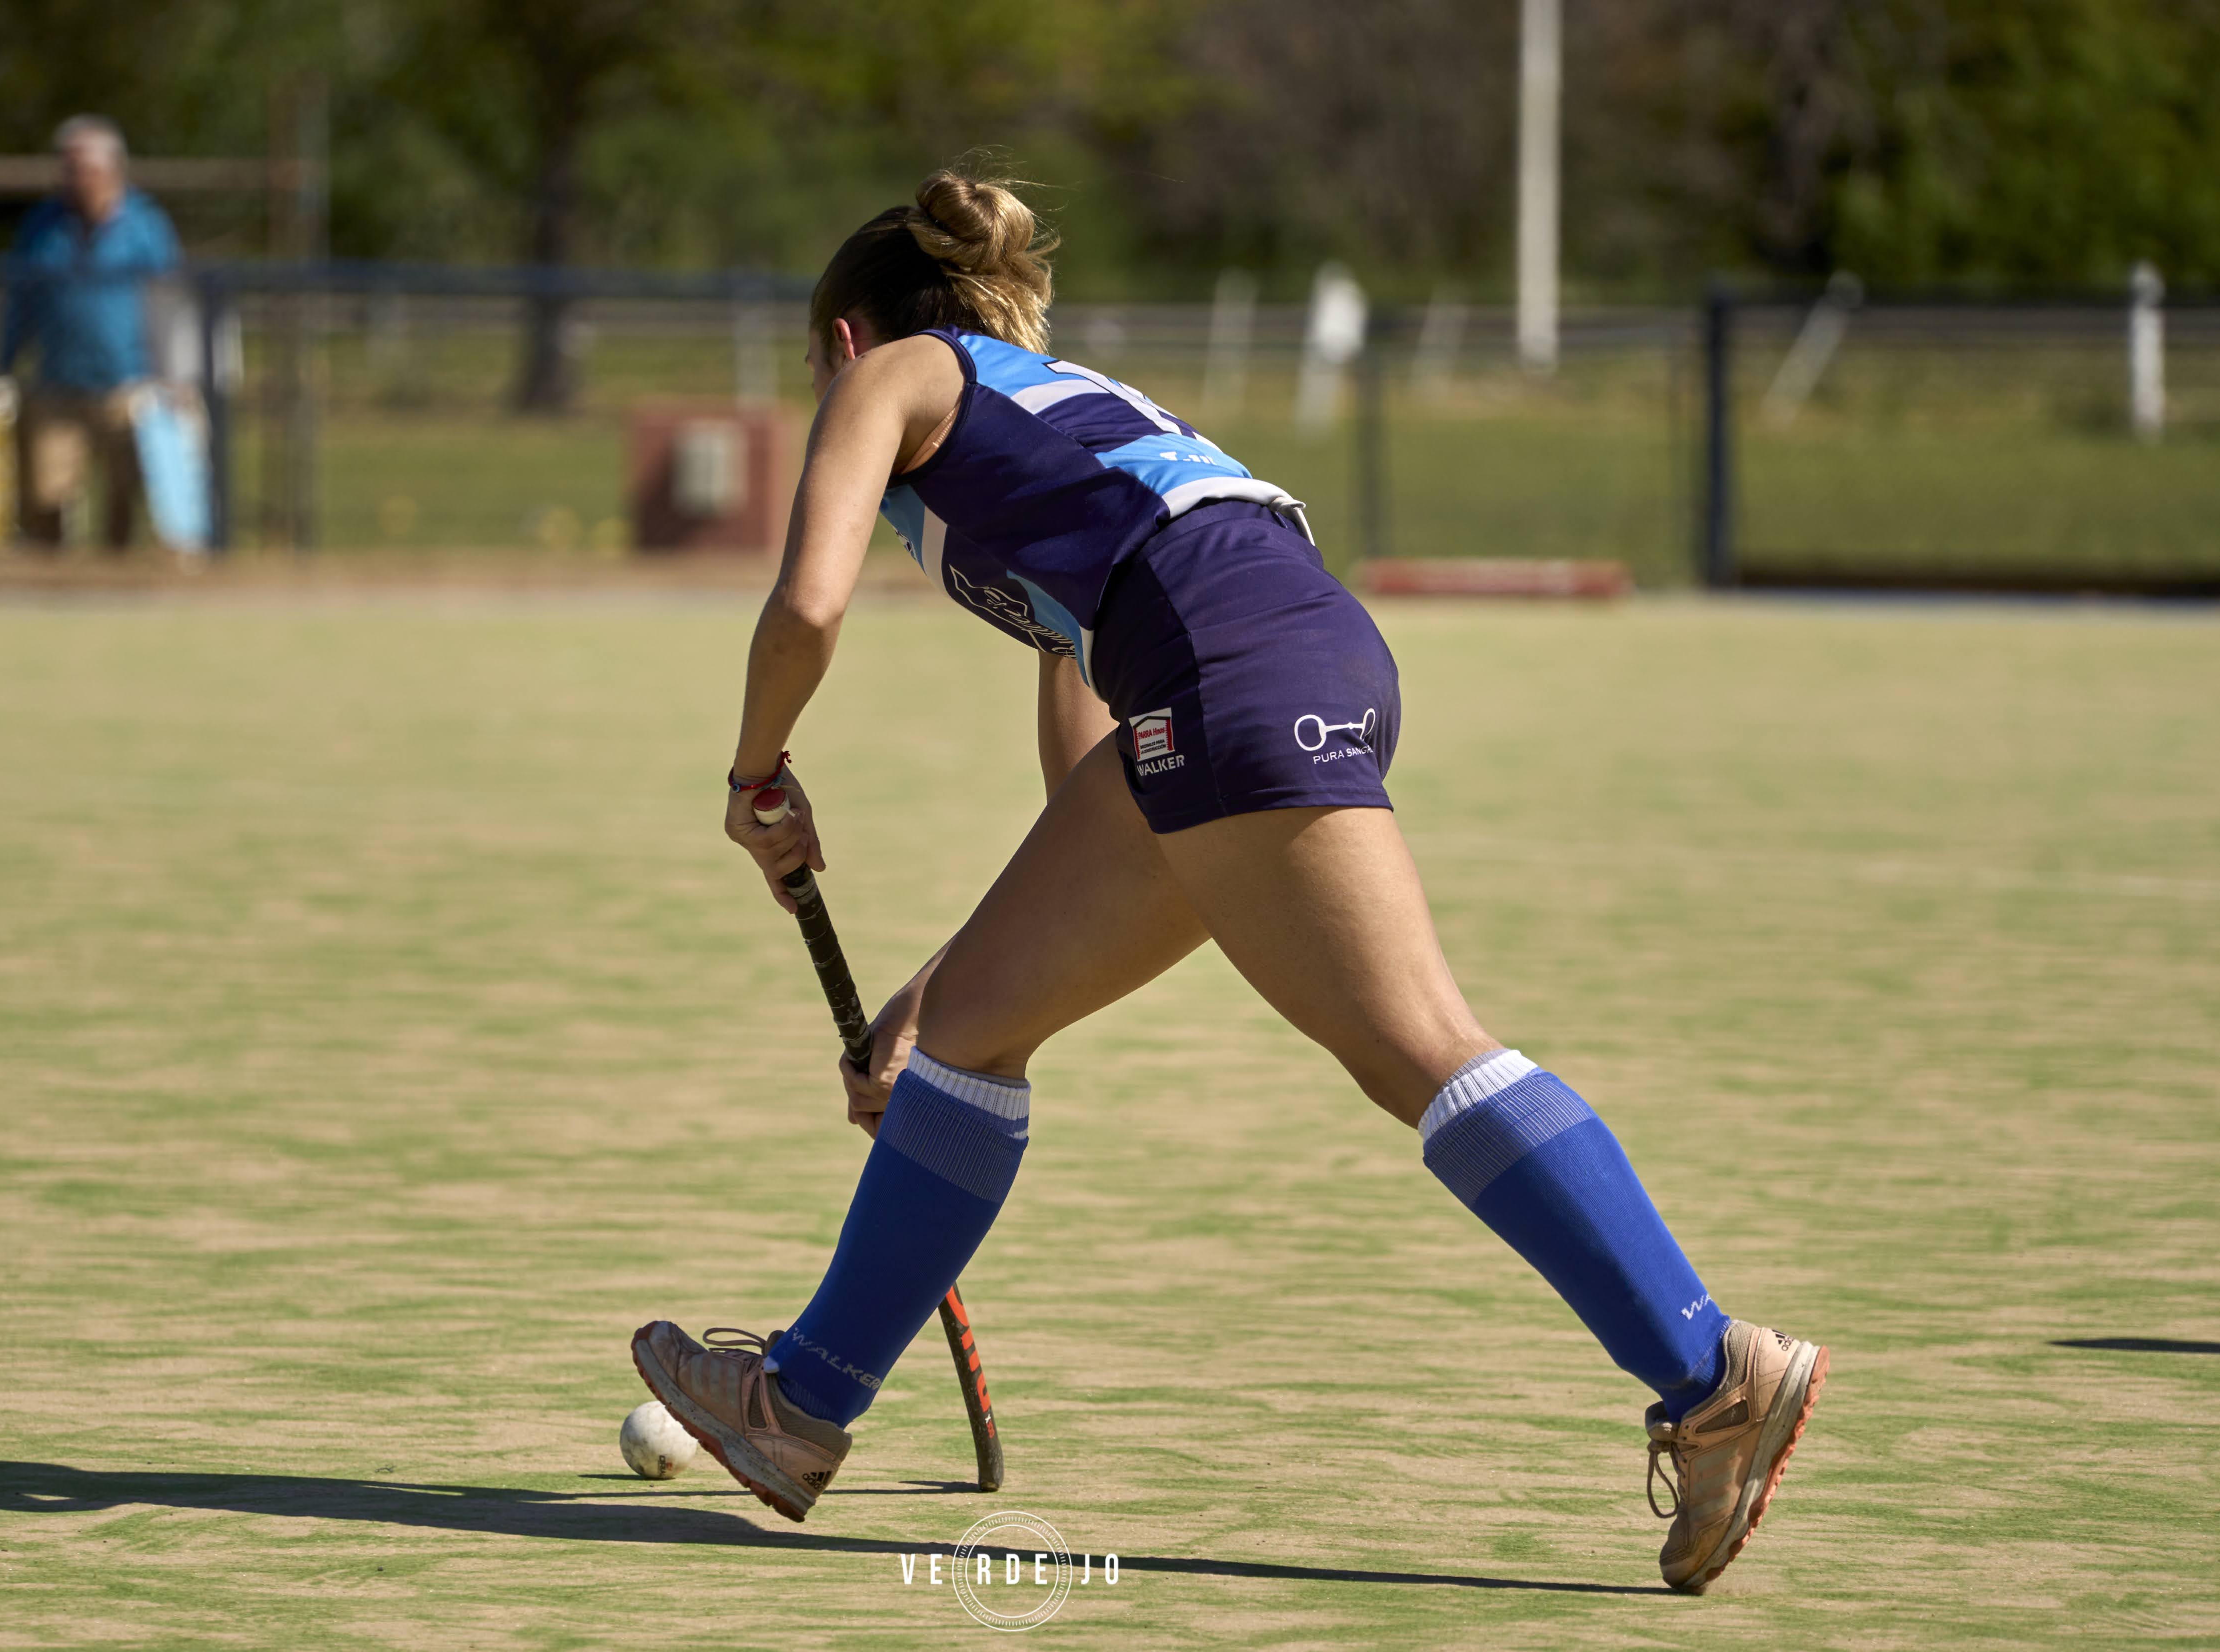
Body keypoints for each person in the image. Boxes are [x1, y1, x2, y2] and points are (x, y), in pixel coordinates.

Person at [629, 171, 1828, 1594]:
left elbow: (806, 605)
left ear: (842, 339)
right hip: (1271, 646)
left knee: (1418, 1044)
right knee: (973, 1032)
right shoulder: (1048, 413)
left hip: (1224, 658)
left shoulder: (888, 375)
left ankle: (1711, 1373)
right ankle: (804, 1404)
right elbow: (1095, 774)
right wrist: (941, 978)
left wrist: (756, 773)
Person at [0, 116, 182, 550]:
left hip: (129, 387)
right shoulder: (41, 227)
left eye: (82, 168)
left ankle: (117, 593)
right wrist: (1, 367)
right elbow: (18, 304)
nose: (72, 178)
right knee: (44, 498)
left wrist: (175, 377)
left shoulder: (146, 227)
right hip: (57, 385)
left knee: (126, 498)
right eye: (67, 167)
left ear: (111, 170)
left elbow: (171, 306)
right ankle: (49, 592)